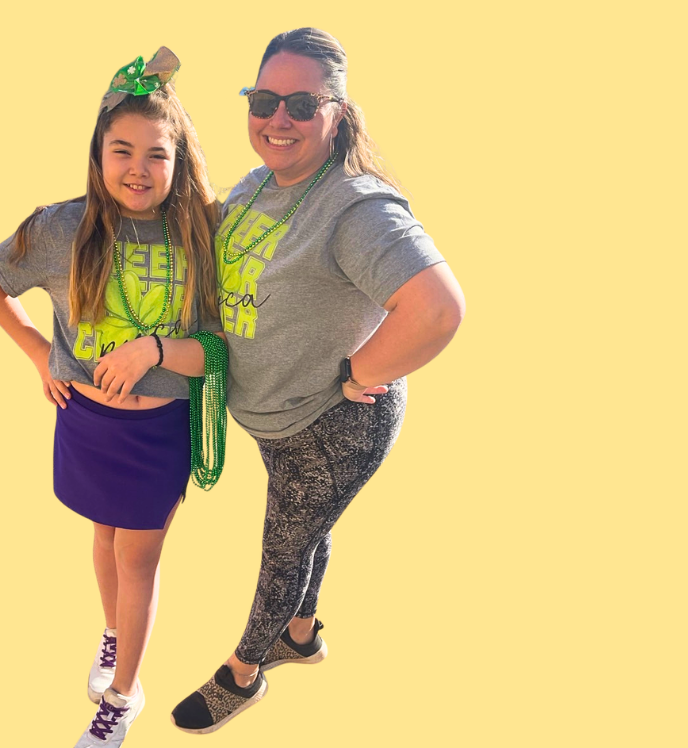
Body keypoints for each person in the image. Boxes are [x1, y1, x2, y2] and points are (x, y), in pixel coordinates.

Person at [170, 28, 466, 733]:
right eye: (265, 99)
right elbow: (213, 230)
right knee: (309, 524)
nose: (279, 119)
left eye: (302, 104)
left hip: (333, 423)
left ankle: (244, 673)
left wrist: (358, 371)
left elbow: (438, 308)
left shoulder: (355, 208)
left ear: (337, 112)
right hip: (280, 414)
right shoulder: (261, 183)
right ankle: (302, 636)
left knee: (284, 545)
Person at [0, 47, 221, 748]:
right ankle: (113, 636)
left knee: (138, 558)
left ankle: (123, 694)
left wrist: (155, 351)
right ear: (98, 153)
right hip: (85, 422)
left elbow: (221, 351)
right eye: (122, 150)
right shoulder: (61, 228)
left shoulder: (200, 235)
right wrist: (37, 353)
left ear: (177, 161)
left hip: (159, 434)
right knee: (105, 537)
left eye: (156, 153)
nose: (138, 168)